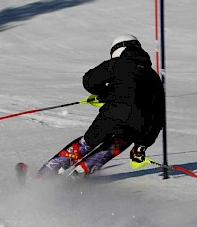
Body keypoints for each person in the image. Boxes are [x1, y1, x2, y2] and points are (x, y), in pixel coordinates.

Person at [37, 34, 165, 177]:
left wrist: (105, 93)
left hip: (111, 116)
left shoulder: (118, 64)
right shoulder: (154, 77)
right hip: (138, 127)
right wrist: (141, 146)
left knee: (87, 143)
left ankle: (45, 175)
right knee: (115, 145)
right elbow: (158, 116)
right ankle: (77, 177)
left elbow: (89, 81)